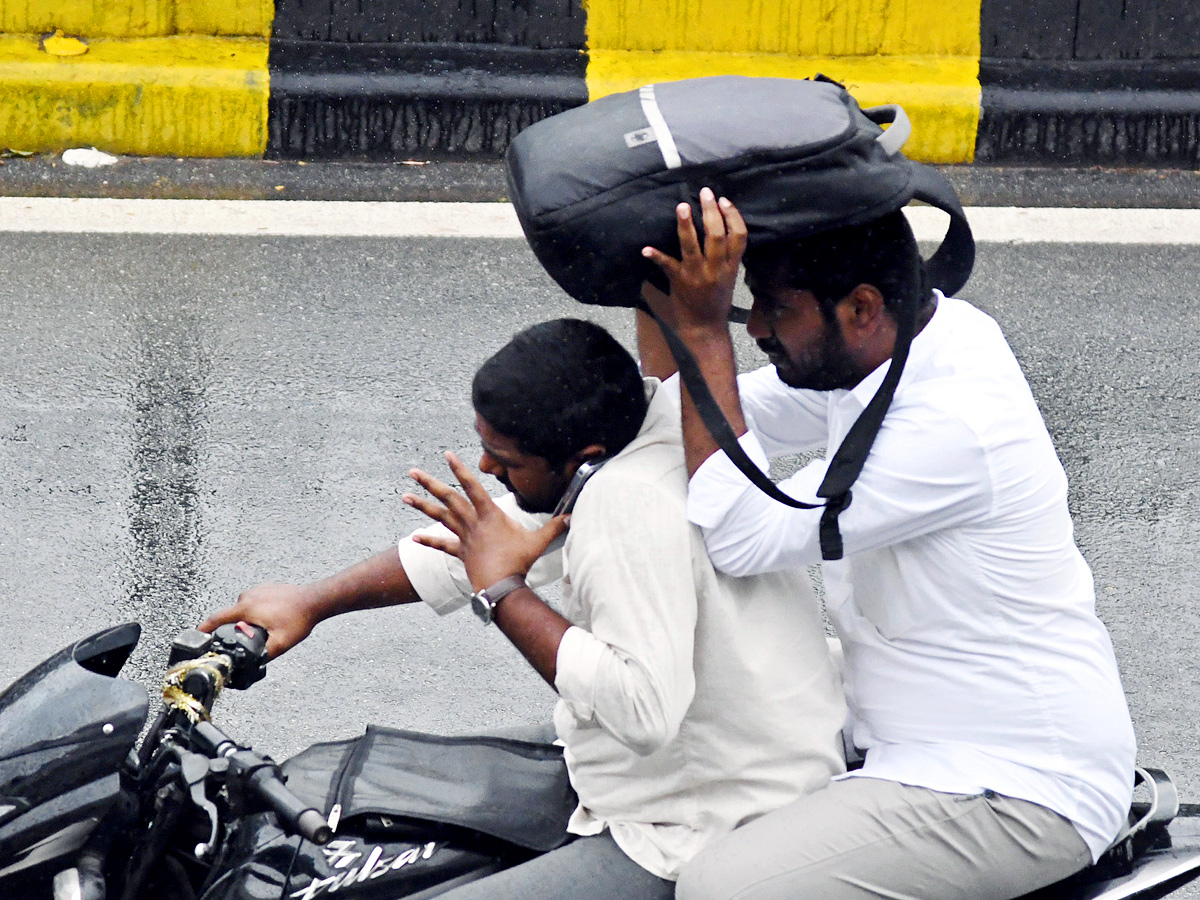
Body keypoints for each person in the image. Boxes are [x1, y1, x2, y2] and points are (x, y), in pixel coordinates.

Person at [201, 318, 847, 900]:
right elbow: (487, 539)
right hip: (722, 755)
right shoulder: (661, 418)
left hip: (700, 820)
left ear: (581, 459)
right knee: (403, 780)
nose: (485, 467)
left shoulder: (624, 508)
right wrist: (310, 603)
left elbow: (644, 709)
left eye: (505, 460)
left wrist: (503, 593)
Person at [639, 188, 1137, 900]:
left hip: (1008, 782)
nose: (757, 330)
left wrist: (705, 329)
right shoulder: (906, 340)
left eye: (777, 308)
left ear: (864, 307)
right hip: (888, 711)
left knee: (722, 889)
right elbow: (695, 414)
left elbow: (741, 534)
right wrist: (659, 280)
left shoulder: (952, 427)